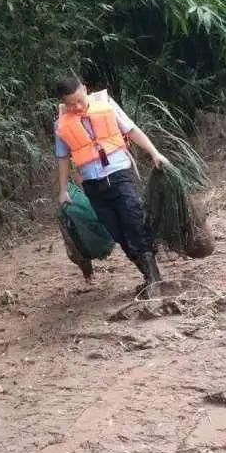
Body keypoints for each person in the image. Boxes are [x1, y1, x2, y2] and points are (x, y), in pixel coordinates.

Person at [53, 76, 169, 294]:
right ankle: (148, 275)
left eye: (79, 100)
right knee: (118, 232)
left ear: (85, 90)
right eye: (71, 104)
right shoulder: (61, 125)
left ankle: (154, 279)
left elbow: (131, 130)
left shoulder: (106, 105)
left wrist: (154, 153)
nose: (77, 107)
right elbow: (62, 158)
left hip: (120, 174)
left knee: (134, 221)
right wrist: (63, 190)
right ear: (63, 103)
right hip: (93, 185)